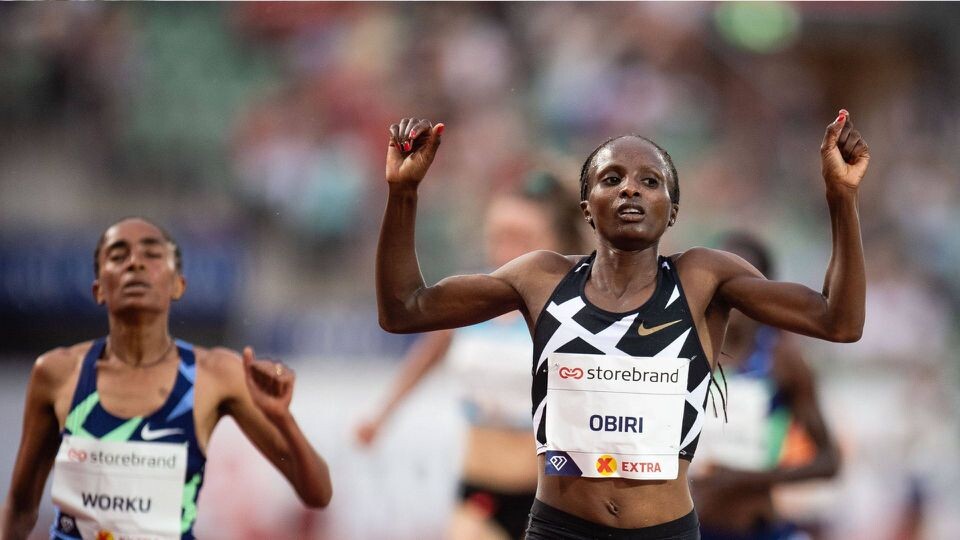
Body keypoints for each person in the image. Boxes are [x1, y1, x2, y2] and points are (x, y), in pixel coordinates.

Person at [376, 110, 868, 539]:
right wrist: (403, 193)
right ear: (586, 207)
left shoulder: (703, 278)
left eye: (650, 181)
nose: (630, 188)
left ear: (672, 211)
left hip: (664, 531)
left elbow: (839, 322)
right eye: (611, 178)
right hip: (560, 528)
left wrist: (841, 197)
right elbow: (404, 310)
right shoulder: (541, 278)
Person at [2, 217, 332, 539]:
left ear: (178, 285)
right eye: (118, 255)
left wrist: (283, 419)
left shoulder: (215, 374)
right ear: (99, 289)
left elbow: (317, 494)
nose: (135, 263)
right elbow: (20, 508)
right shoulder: (57, 374)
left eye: (152, 254)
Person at [357, 175, 586, 540]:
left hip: (552, 497)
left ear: (556, 241)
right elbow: (428, 355)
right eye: (499, 236)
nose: (507, 249)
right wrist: (382, 415)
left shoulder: (574, 308)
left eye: (522, 237)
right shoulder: (470, 296)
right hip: (481, 490)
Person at [690, 232, 840, 540]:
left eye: (739, 285)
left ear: (763, 292)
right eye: (718, 282)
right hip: (686, 527)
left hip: (752, 527)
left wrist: (747, 479)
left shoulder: (782, 361)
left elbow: (829, 461)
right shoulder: (683, 351)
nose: (728, 295)